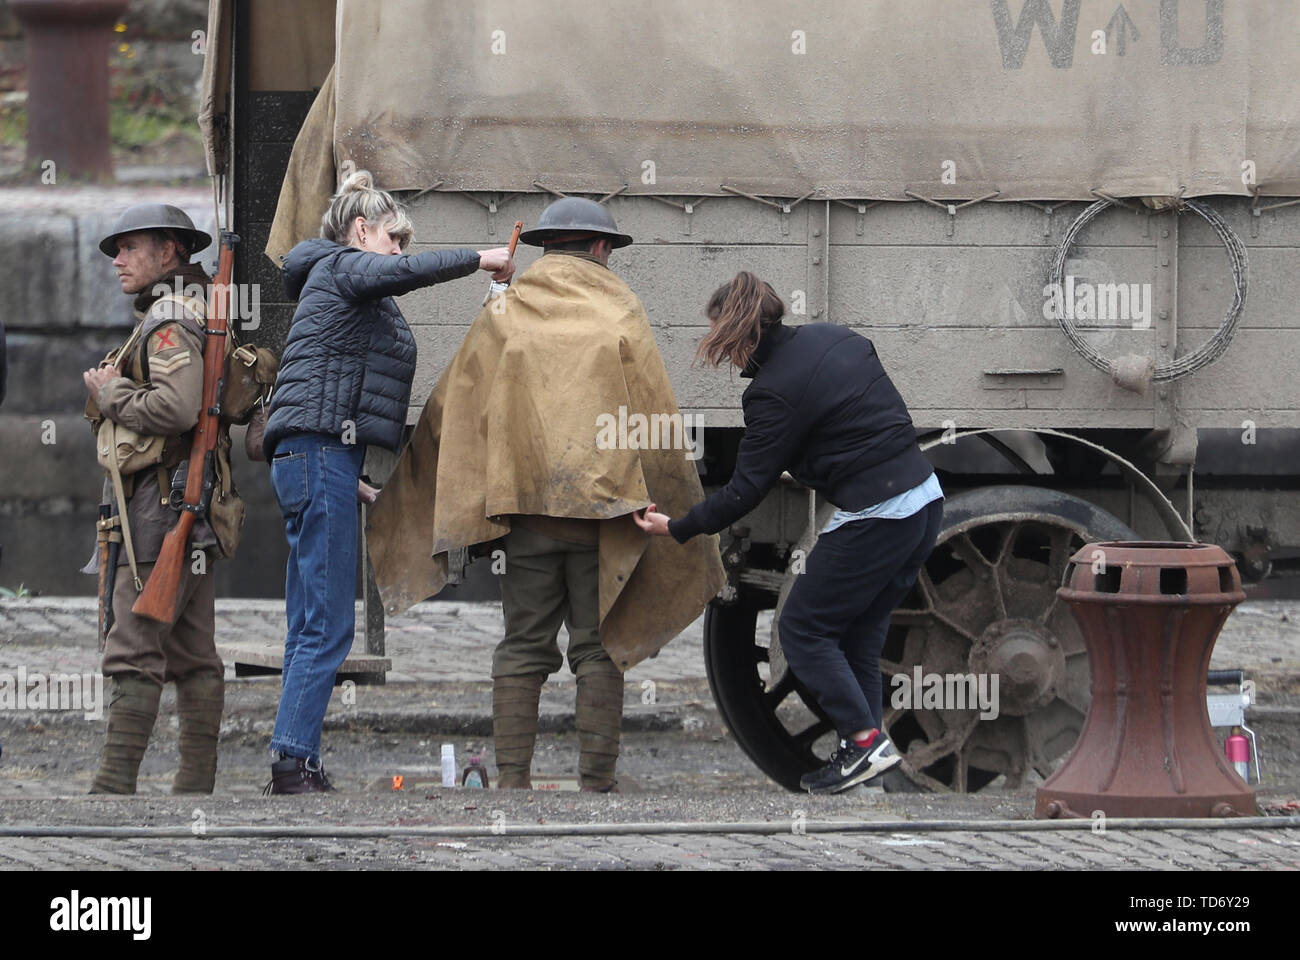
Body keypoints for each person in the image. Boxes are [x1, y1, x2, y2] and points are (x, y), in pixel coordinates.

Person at [366, 196, 725, 793]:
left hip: (525, 519)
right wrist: (668, 504)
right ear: (602, 249)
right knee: (600, 646)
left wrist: (437, 495)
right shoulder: (621, 310)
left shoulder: (506, 311)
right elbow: (654, 416)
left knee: (522, 647)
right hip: (605, 519)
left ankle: (511, 782)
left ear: (543, 249)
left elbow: (456, 409)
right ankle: (596, 783)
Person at [635, 272, 944, 794]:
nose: (730, 360)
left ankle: (864, 742)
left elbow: (744, 491)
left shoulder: (770, 394)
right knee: (857, 642)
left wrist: (679, 527)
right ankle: (865, 758)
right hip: (924, 501)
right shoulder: (836, 336)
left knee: (802, 628)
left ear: (745, 336)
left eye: (727, 345)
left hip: (878, 515)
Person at [261, 170, 514, 794]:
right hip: (318, 457)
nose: (399, 252)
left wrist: (347, 479)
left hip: (317, 460)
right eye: (392, 239)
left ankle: (298, 757)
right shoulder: (346, 267)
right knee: (327, 626)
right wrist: (483, 258)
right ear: (360, 231)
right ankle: (291, 762)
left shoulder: (334, 280)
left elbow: (327, 391)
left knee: (307, 620)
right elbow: (400, 274)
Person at [82, 202, 225, 794]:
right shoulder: (191, 308)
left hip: (160, 505)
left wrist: (112, 393)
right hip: (186, 502)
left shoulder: (168, 321)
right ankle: (196, 788)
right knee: (191, 651)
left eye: (130, 246)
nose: (118, 259)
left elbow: (175, 407)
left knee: (134, 644)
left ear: (168, 251)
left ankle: (112, 787)